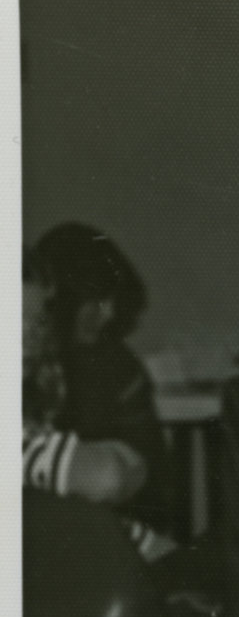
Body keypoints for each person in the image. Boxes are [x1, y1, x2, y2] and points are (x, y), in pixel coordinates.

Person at [32, 222, 172, 534]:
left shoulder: (119, 367)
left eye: (111, 299)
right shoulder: (24, 368)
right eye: (96, 300)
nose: (108, 314)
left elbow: (152, 485)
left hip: (110, 534)